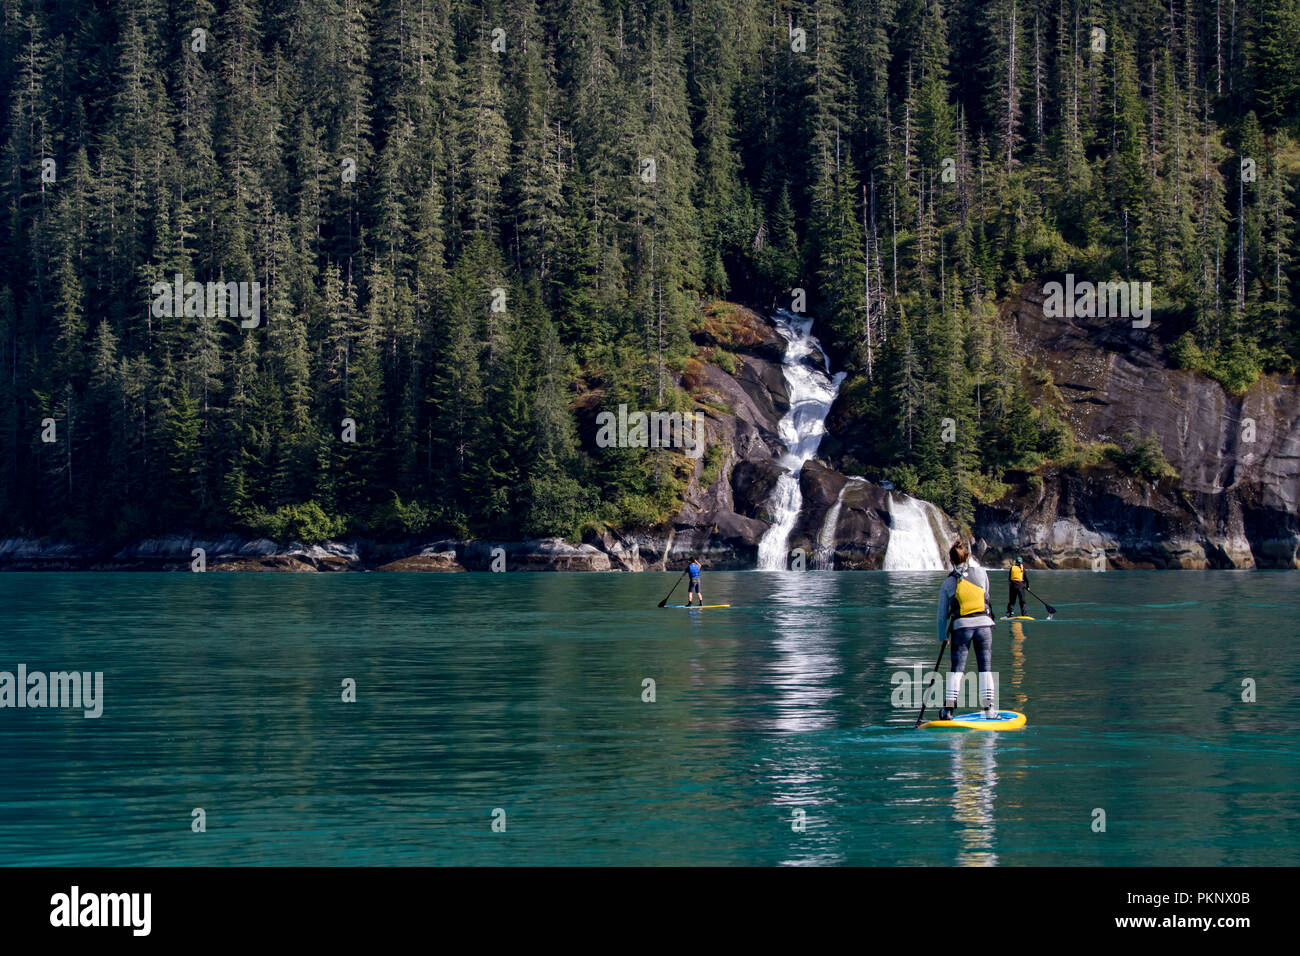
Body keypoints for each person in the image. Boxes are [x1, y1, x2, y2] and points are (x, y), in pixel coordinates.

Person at [934, 540, 997, 720]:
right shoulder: (982, 573)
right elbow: (986, 597)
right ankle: (990, 710)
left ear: (951, 561)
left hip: (961, 628)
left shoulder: (948, 583)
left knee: (957, 669)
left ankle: (948, 711)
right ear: (968, 558)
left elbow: (941, 615)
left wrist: (942, 637)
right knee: (985, 667)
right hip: (985, 626)